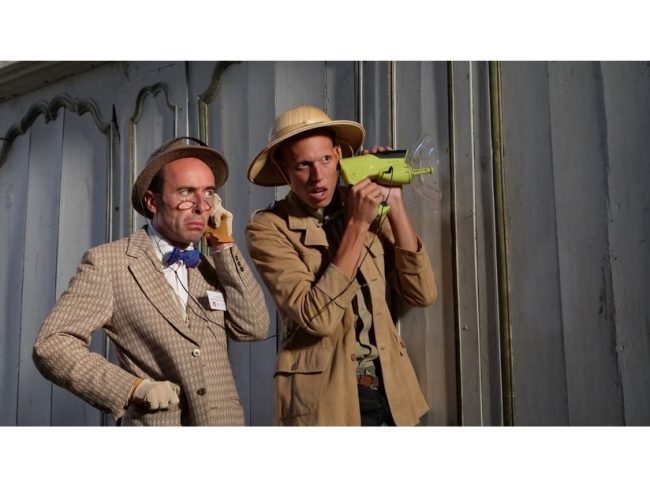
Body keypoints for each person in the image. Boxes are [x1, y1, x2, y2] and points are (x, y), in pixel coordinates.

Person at [33, 137, 270, 426]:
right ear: (152, 201)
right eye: (186, 192)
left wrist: (223, 243)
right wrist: (131, 388)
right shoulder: (109, 263)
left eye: (209, 193)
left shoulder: (211, 266)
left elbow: (254, 327)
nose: (201, 206)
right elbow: (52, 344)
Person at [245, 105, 437, 426]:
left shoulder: (362, 203)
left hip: (393, 388)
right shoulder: (267, 228)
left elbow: (422, 293)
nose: (318, 177)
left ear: (338, 155)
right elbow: (317, 319)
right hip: (327, 398)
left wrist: (394, 201)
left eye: (325, 159)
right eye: (303, 165)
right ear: (284, 171)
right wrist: (357, 225)